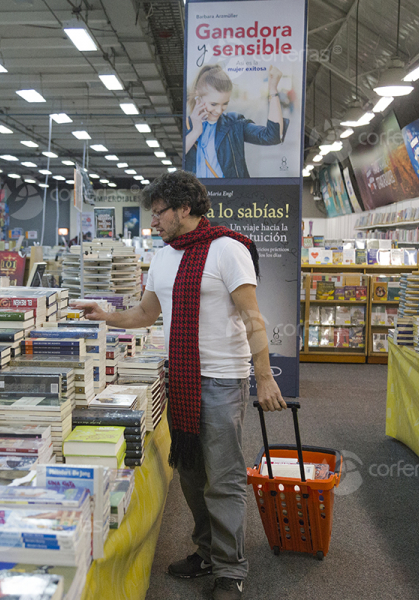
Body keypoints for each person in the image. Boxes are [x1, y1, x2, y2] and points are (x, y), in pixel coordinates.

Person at [72, 171, 286, 600]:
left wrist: (264, 378)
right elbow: (146, 315)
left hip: (223, 379)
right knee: (190, 474)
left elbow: (253, 320)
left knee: (222, 477)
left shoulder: (229, 250)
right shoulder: (166, 256)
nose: (153, 222)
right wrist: (106, 314)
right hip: (182, 379)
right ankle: (206, 552)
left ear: (184, 209)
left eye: (159, 213)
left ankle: (230, 568)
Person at [184, 63, 288, 179]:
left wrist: (273, 90)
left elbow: (273, 136)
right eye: (213, 104)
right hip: (196, 196)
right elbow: (175, 164)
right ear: (198, 95)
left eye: (225, 104)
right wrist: (195, 132)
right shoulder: (185, 126)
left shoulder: (234, 124)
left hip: (230, 195)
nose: (219, 110)